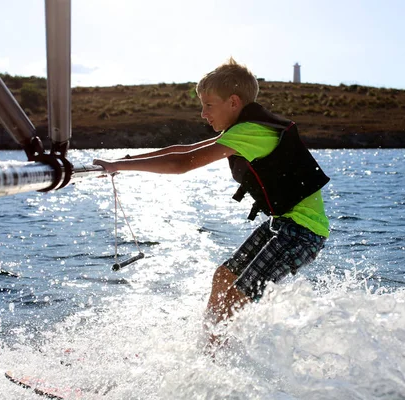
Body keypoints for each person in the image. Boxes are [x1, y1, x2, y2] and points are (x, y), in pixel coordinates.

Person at [93, 58, 330, 346]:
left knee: (235, 297)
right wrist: (123, 162)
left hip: (302, 233)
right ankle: (208, 345)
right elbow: (185, 149)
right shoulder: (242, 131)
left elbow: (183, 163)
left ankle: (215, 359)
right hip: (283, 224)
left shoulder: (251, 132)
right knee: (223, 277)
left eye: (208, 105)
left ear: (233, 102)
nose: (203, 113)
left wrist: (121, 166)